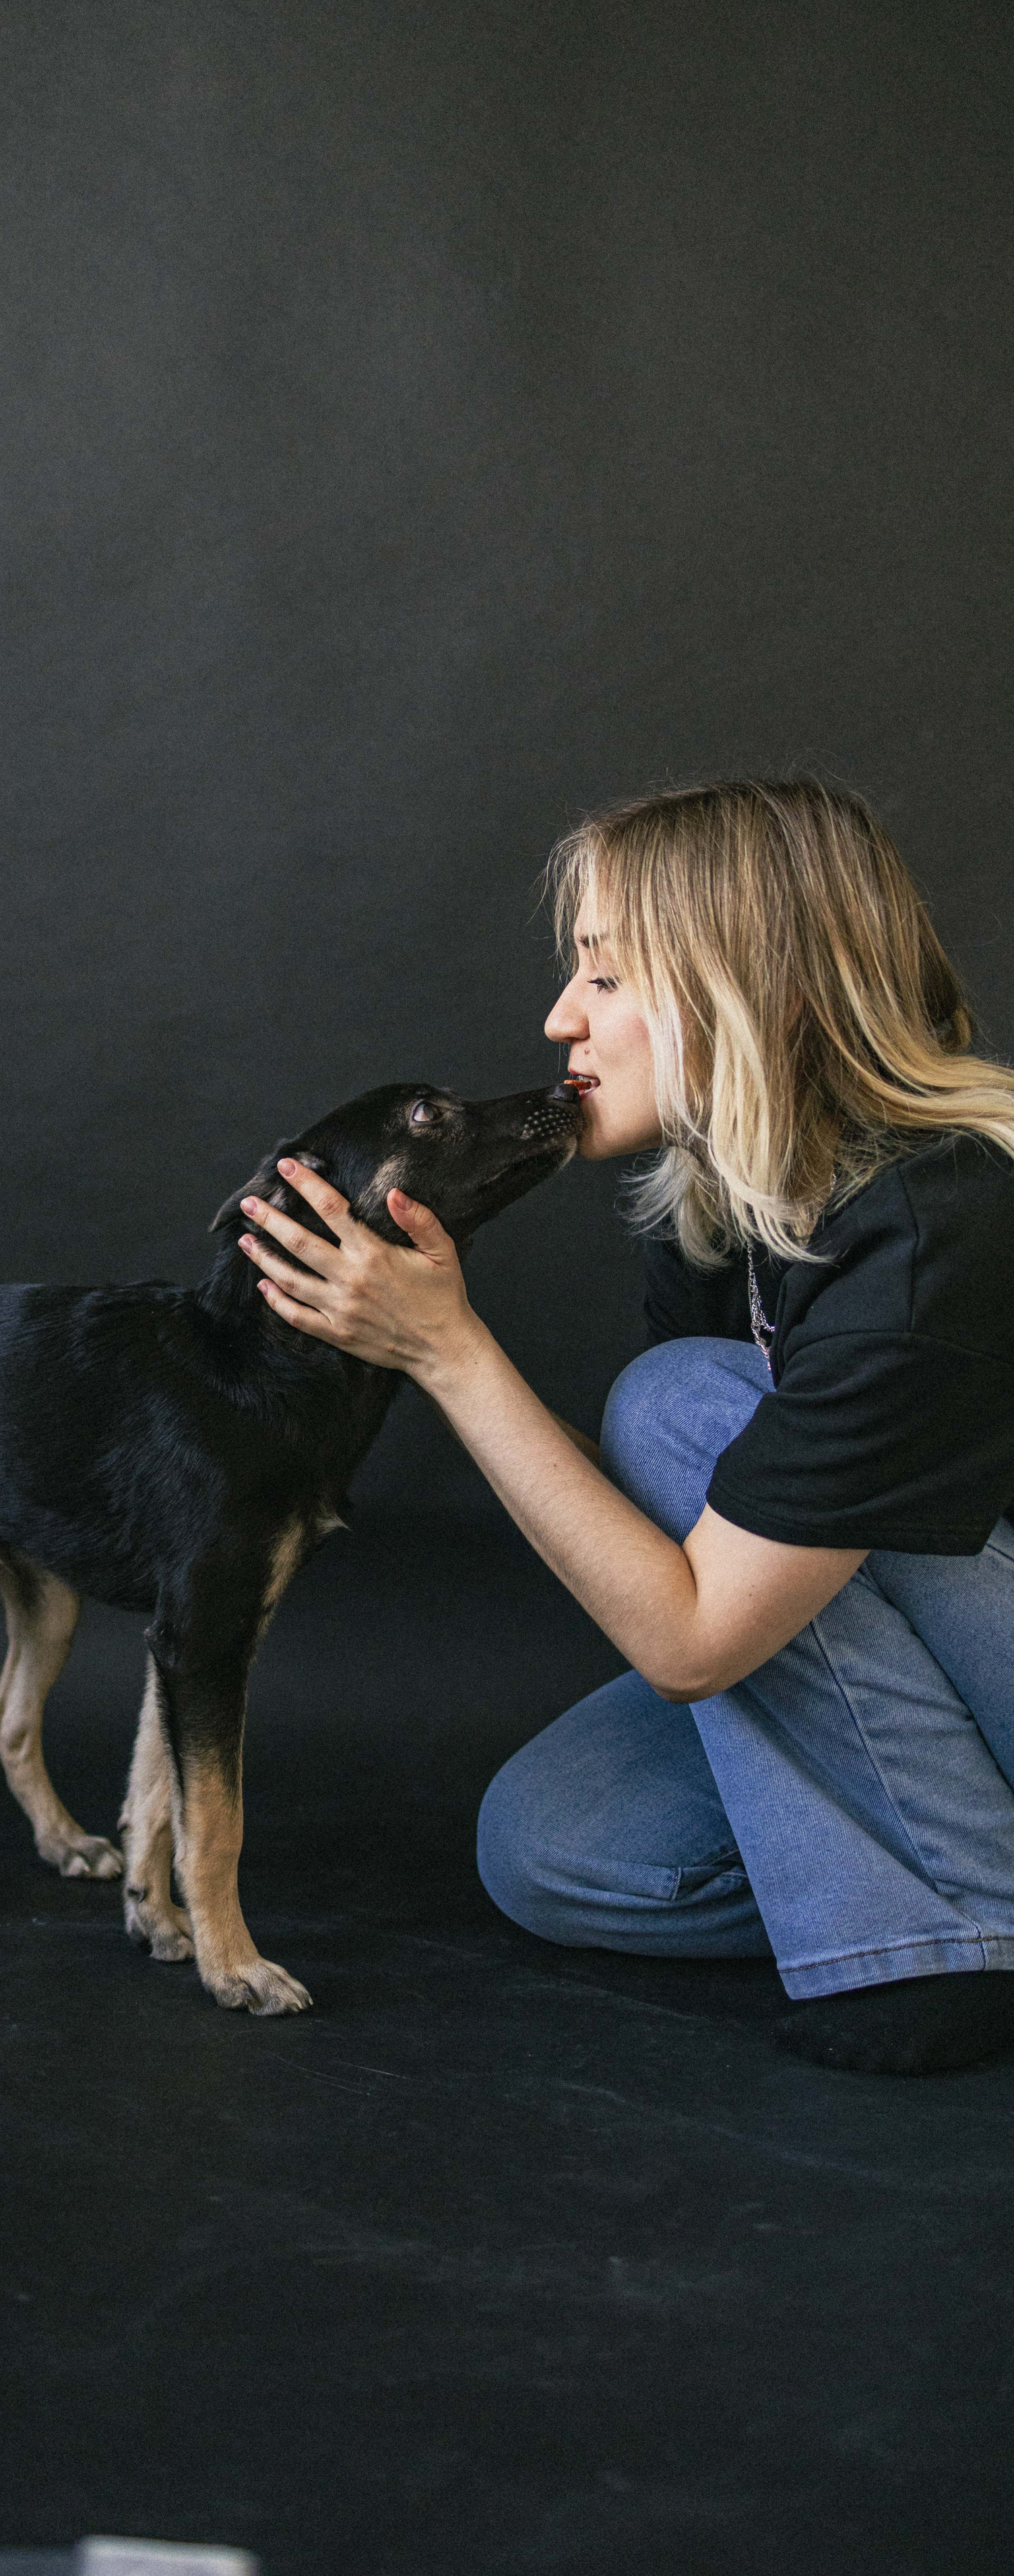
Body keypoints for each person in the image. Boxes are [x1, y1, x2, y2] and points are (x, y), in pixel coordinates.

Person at [234, 778, 1014, 2075]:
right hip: (932, 1694)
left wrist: (449, 1350)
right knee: (555, 1842)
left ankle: (947, 1934)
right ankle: (934, 1881)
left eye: (604, 977)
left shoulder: (940, 1221)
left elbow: (695, 1640)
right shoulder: (728, 1209)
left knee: (674, 1405)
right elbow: (698, 1542)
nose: (558, 1020)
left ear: (744, 983)